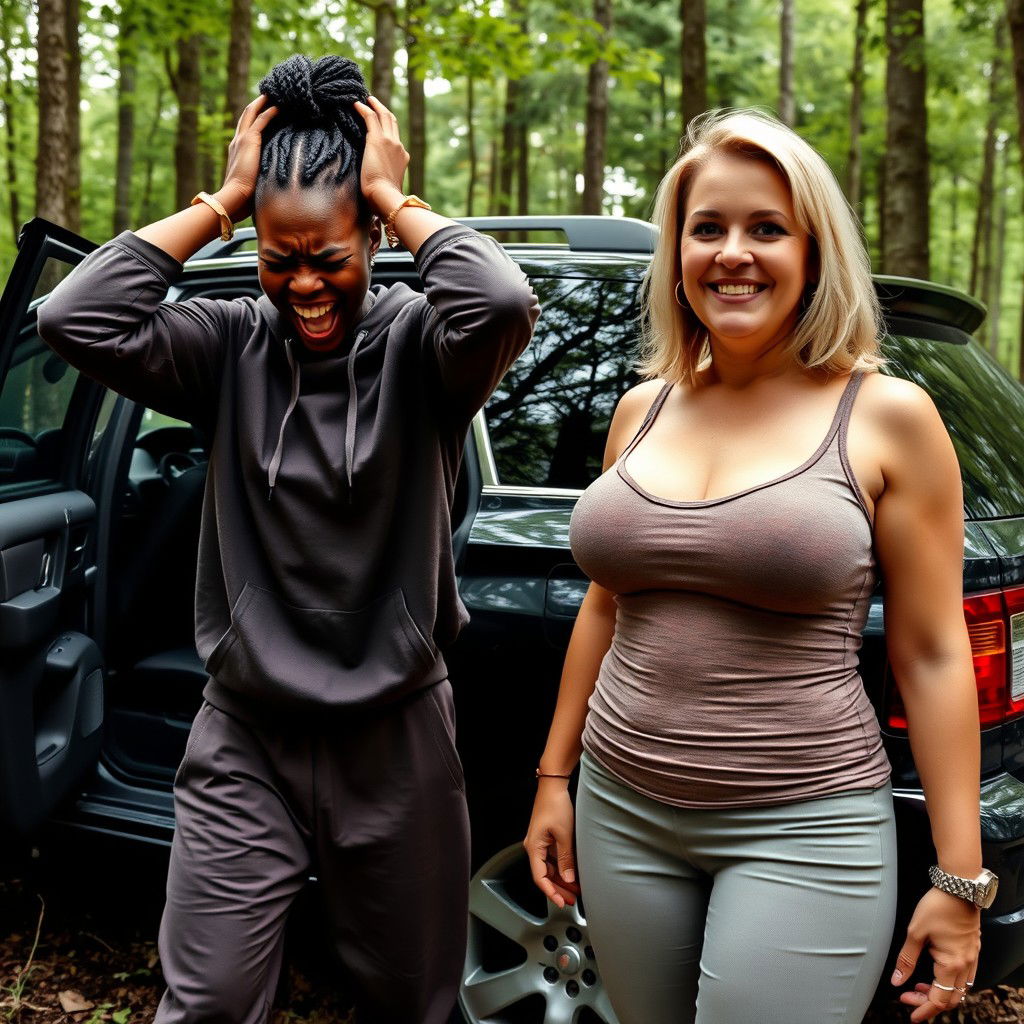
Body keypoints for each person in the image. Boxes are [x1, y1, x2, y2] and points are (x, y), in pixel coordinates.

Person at [39, 54, 538, 1024]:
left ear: (371, 240)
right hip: (245, 737)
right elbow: (74, 317)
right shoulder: (225, 346)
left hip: (396, 739)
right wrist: (223, 200)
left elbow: (503, 303)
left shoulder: (423, 348)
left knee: (414, 1004)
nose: (303, 284)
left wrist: (392, 192)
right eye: (279, 257)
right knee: (209, 1002)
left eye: (329, 256)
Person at [523, 108, 988, 1024]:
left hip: (803, 828)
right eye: (708, 228)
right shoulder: (641, 410)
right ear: (679, 251)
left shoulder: (887, 415)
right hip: (622, 811)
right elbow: (608, 606)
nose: (733, 253)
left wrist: (960, 879)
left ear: (815, 253)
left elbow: (933, 655)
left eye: (767, 229)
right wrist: (553, 778)